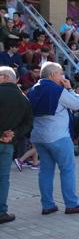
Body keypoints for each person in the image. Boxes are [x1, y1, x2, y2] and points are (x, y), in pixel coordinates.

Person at [28, 62, 79, 215]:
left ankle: (47, 205)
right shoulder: (57, 90)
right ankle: (71, 204)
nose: (62, 76)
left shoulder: (32, 89)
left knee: (45, 171)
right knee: (67, 169)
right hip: (58, 136)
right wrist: (69, 88)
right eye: (60, 73)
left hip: (38, 136)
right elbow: (76, 105)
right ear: (52, 75)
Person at [0, 66, 33, 224]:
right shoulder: (23, 98)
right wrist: (13, 133)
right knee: (3, 179)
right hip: (8, 144)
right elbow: (28, 123)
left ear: (4, 77)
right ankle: (1, 212)